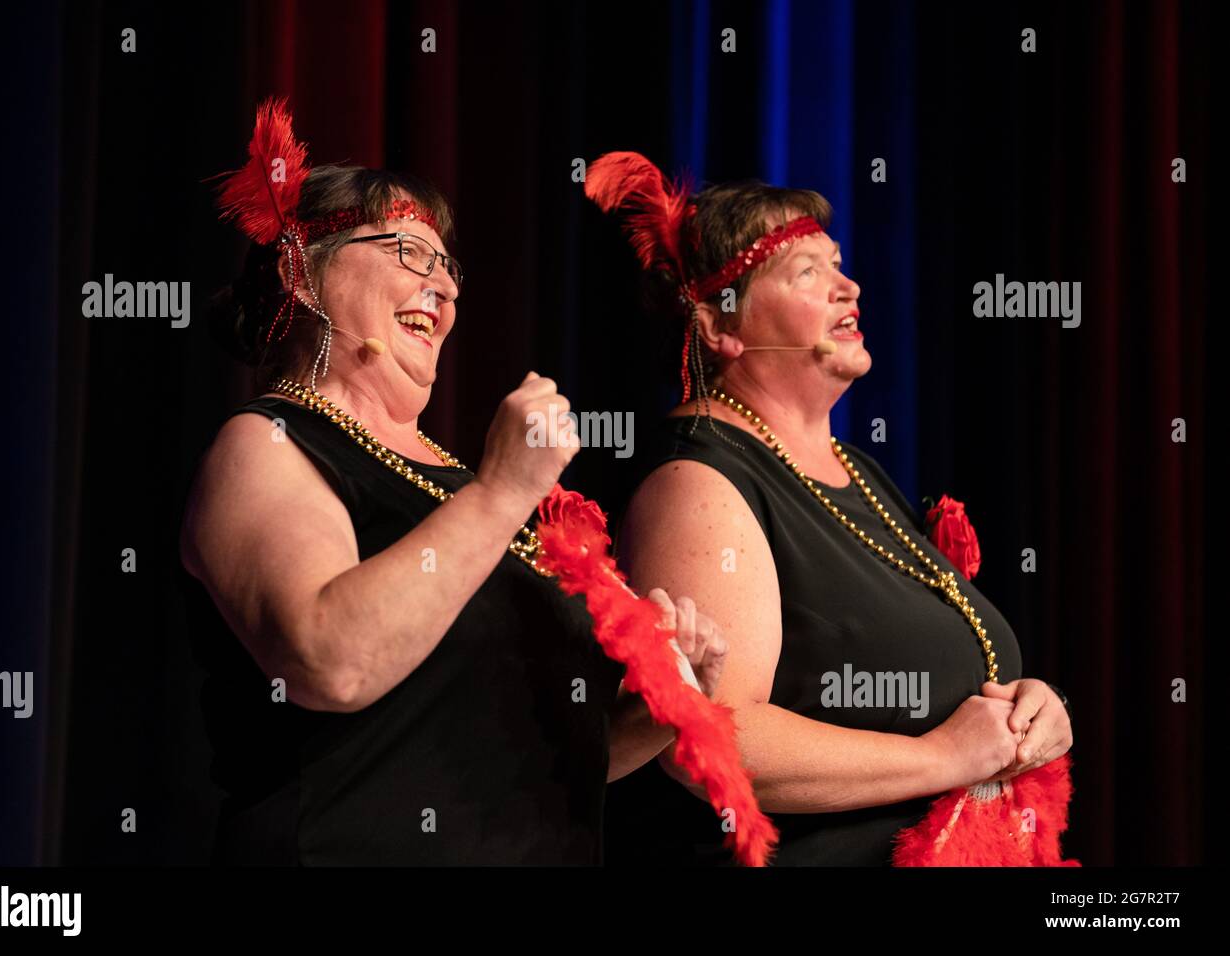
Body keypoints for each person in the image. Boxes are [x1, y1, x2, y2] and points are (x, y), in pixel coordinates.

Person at [178, 104, 727, 865]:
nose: (444, 288)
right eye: (408, 251)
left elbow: (550, 760)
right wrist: (503, 493)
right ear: (300, 273)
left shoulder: (461, 491)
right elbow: (326, 660)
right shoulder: (266, 444)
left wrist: (669, 700)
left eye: (449, 268)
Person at [587, 152, 1074, 865]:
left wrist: (1034, 712)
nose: (849, 286)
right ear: (721, 327)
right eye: (807, 272)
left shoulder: (857, 471)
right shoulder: (697, 484)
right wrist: (944, 757)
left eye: (837, 264)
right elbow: (718, 739)